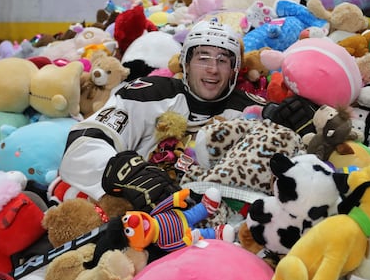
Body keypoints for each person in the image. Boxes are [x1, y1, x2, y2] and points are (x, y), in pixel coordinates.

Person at [51, 21, 260, 205]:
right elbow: (81, 145)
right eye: (203, 58)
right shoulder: (147, 94)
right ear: (185, 63)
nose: (213, 69)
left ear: (234, 69)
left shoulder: (251, 111)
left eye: (223, 60)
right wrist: (129, 175)